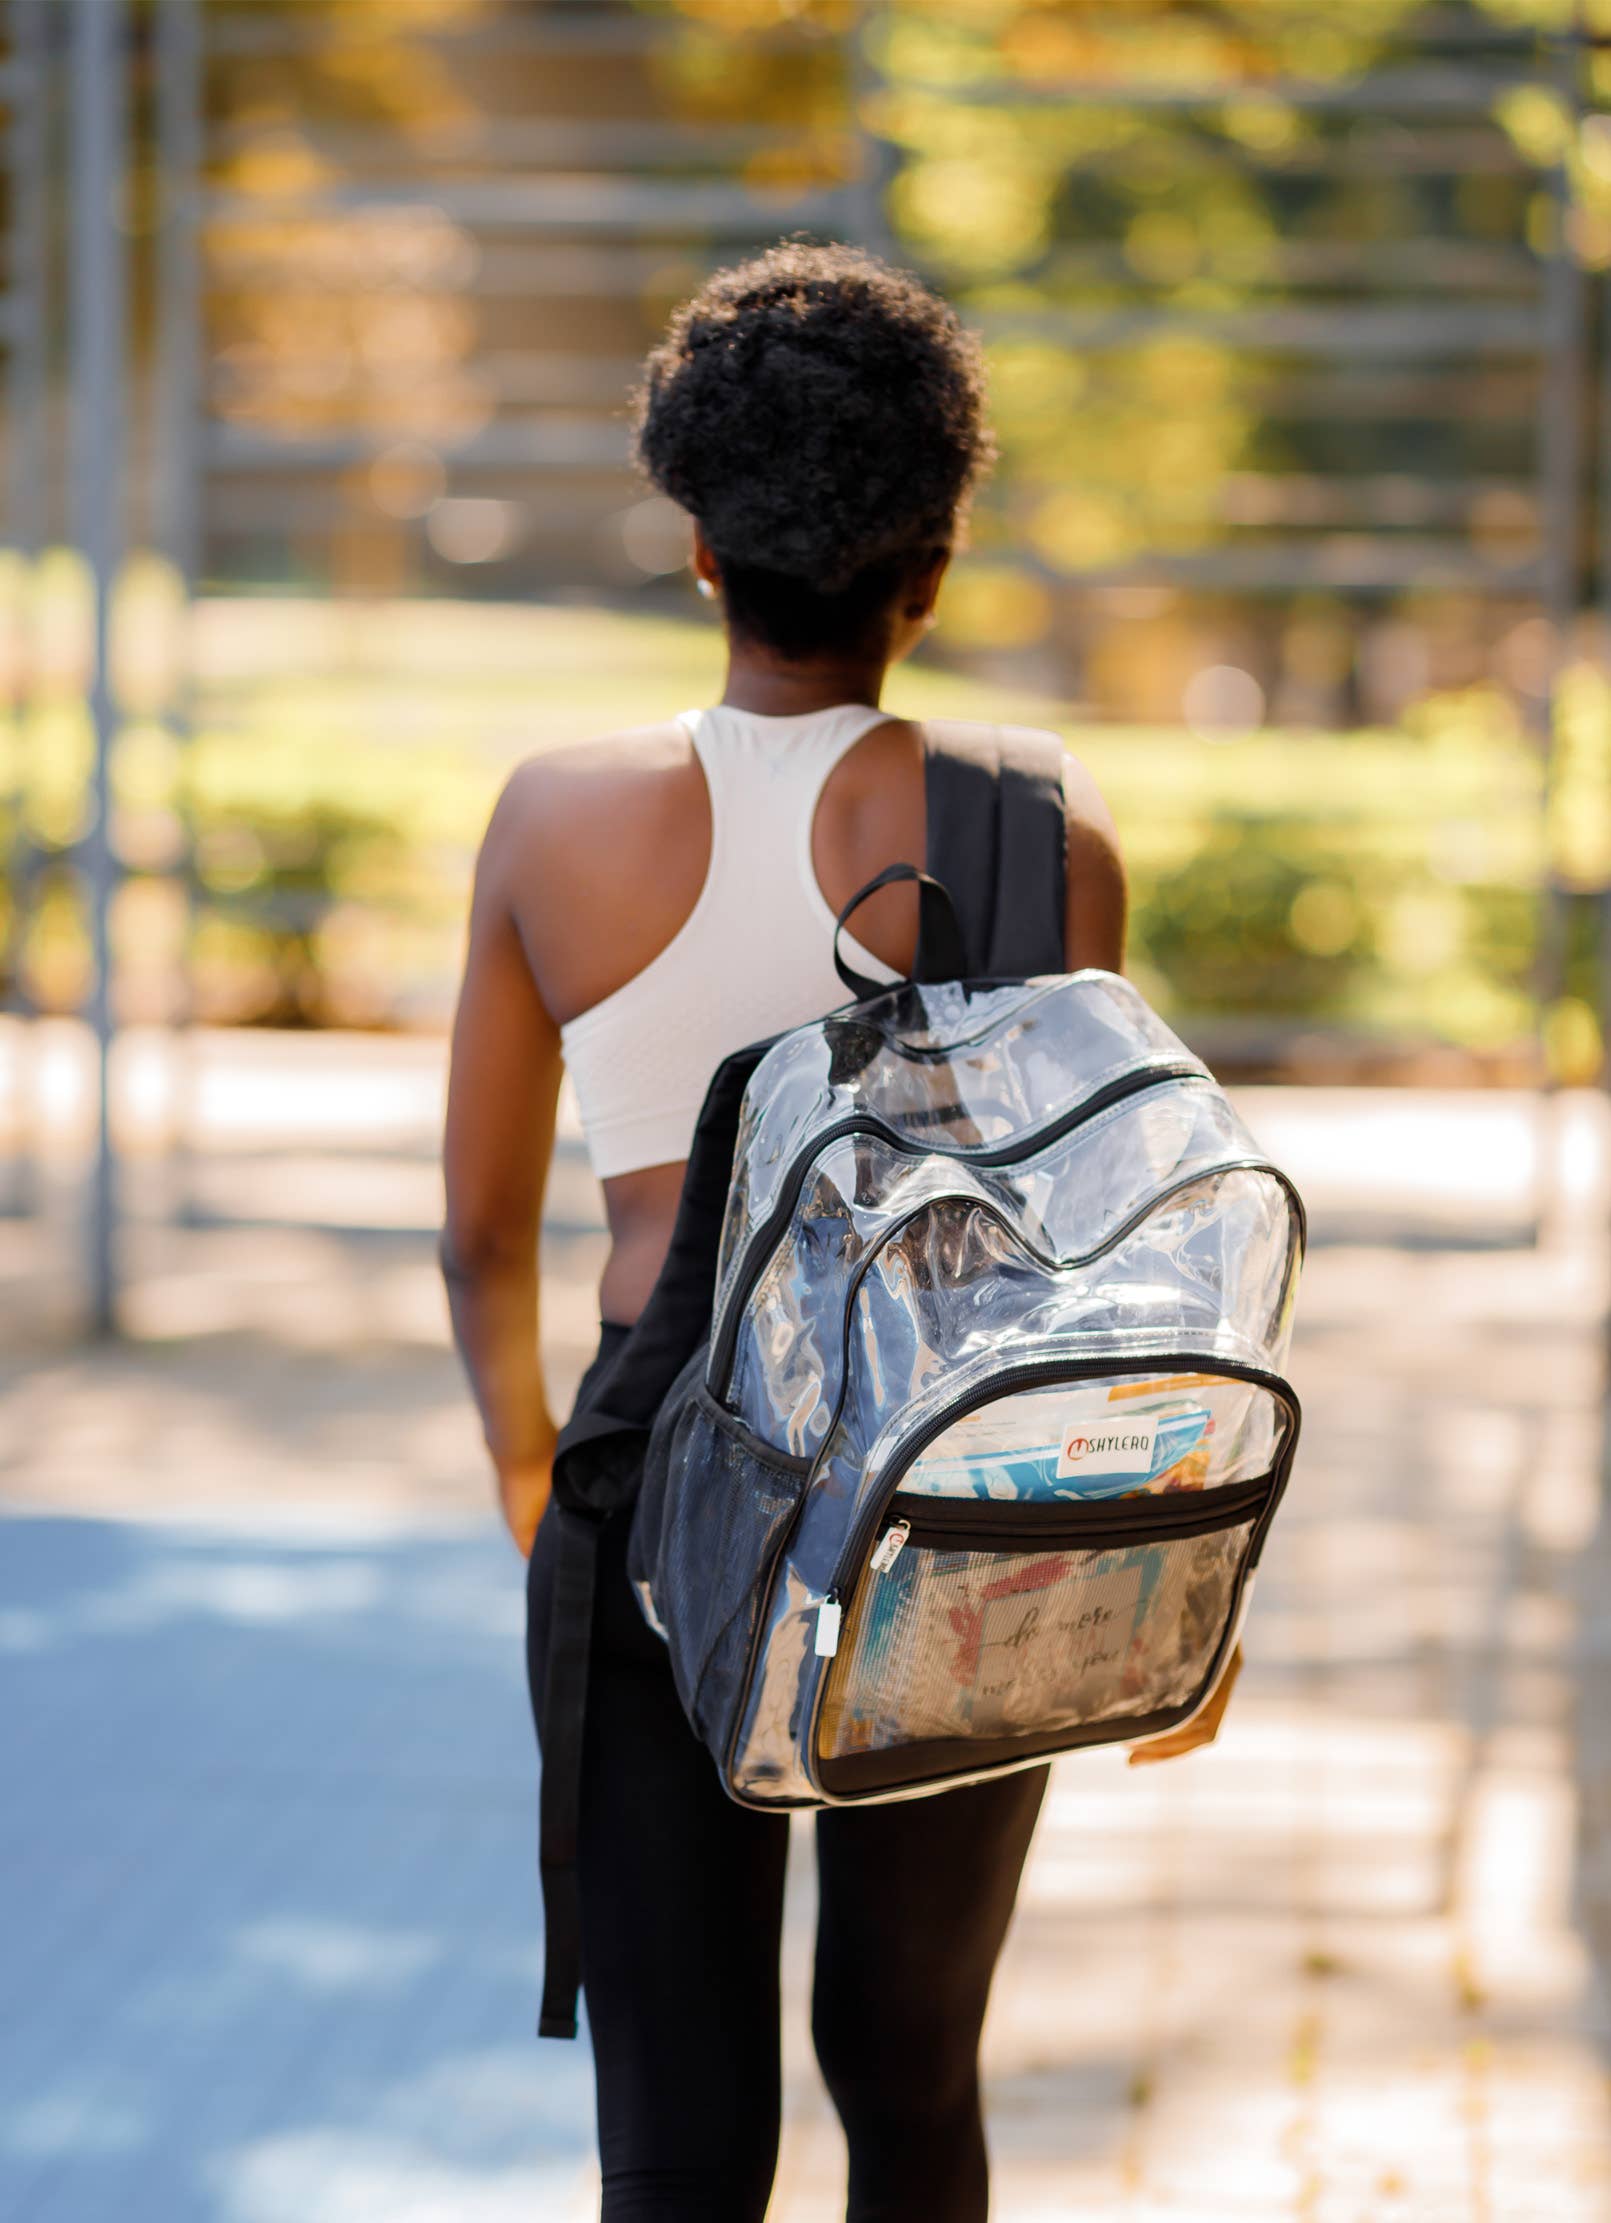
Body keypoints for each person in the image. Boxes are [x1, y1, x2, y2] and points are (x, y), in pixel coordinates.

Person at [439, 237, 1236, 2223]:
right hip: (943, 1508)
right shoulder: (1036, 830)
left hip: (650, 1486)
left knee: (682, 2132)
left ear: (696, 547)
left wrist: (539, 1473)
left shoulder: (553, 820)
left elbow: (473, 1234)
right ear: (932, 560)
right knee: (909, 2075)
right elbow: (1093, 1252)